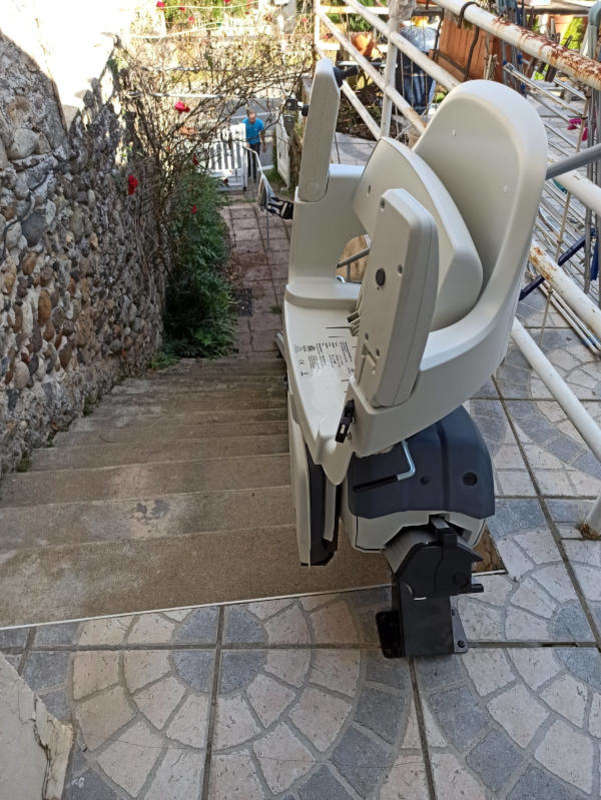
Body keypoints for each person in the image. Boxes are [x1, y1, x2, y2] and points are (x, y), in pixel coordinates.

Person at [243, 110, 265, 183]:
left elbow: (262, 133)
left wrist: (264, 144)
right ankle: (248, 174)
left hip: (256, 142)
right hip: (248, 142)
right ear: (248, 117)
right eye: (251, 119)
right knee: (248, 160)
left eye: (254, 119)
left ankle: (255, 177)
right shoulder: (244, 123)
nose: (252, 120)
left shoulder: (259, 123)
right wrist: (246, 142)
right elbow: (242, 134)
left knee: (255, 160)